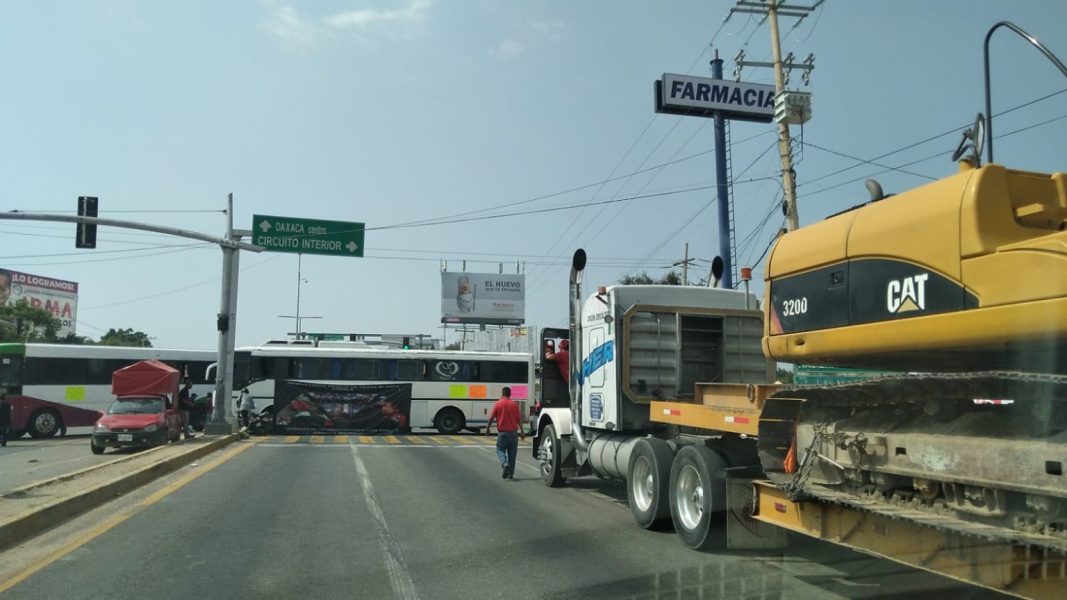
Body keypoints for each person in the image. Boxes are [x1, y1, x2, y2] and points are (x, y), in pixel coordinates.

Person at [485, 386, 524, 479]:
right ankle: (511, 474)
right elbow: (519, 420)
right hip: (513, 433)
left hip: (503, 433)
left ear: (502, 394)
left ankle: (504, 464)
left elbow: (491, 418)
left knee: (500, 449)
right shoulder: (514, 405)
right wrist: (522, 432)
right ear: (510, 394)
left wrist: (487, 429)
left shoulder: (498, 404)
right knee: (512, 455)